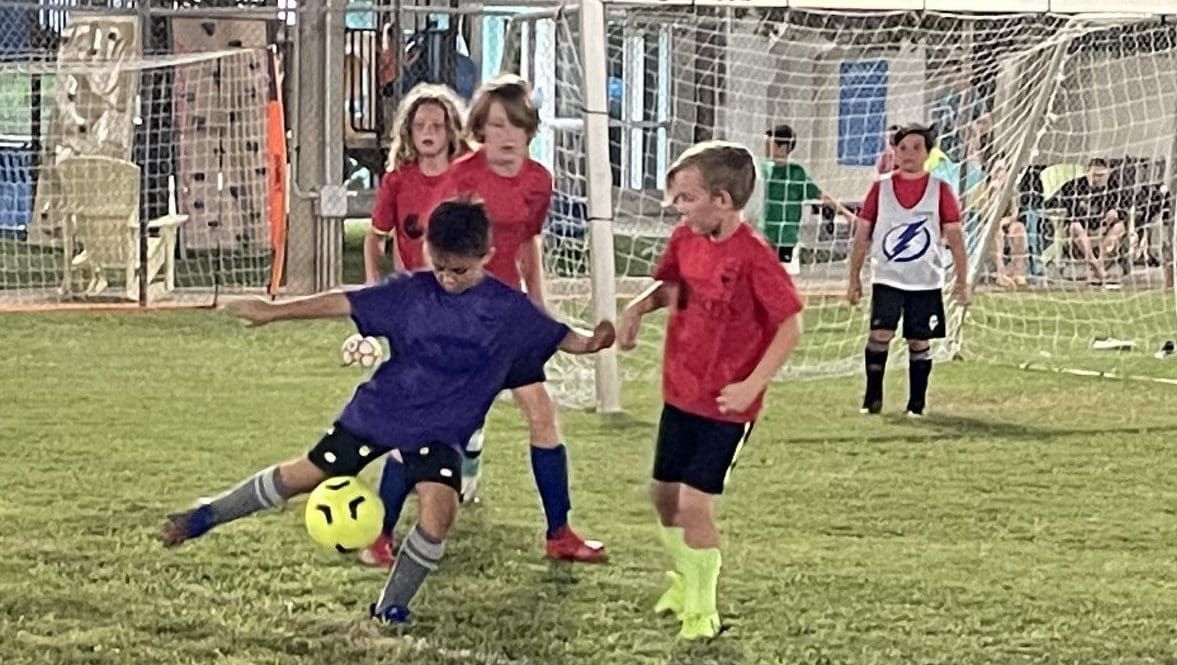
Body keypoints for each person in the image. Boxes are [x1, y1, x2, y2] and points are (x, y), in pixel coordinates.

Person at [160, 200, 616, 625]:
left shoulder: (508, 309)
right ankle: (204, 516)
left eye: (459, 270)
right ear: (427, 253)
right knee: (305, 475)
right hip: (381, 412)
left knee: (439, 515)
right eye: (439, 267)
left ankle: (390, 606)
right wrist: (273, 312)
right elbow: (344, 300)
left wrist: (592, 342)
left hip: (438, 432)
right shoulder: (410, 294)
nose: (448, 278)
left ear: (486, 256)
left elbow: (558, 335)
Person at [411, 73, 607, 563]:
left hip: (507, 317)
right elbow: (437, 246)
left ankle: (559, 532)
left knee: (541, 413)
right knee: (439, 422)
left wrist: (538, 309)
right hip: (462, 314)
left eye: (514, 126)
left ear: (528, 131)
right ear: (480, 129)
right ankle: (394, 522)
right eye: (495, 125)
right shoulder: (463, 178)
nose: (504, 135)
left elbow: (526, 245)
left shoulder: (540, 181)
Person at [618, 141, 805, 640]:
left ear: (721, 200)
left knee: (695, 505)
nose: (677, 208)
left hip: (726, 406)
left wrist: (750, 386)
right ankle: (684, 578)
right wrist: (637, 308)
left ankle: (702, 609)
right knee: (663, 498)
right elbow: (671, 288)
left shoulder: (755, 257)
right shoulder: (685, 239)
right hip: (680, 393)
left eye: (685, 198)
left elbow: (790, 326)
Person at [360, 83, 475, 569]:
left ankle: (461, 463)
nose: (428, 133)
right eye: (419, 126)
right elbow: (376, 239)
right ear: (408, 133)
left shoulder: (470, 179)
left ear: (452, 131)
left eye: (437, 125)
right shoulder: (398, 183)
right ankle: (380, 534)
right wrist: (375, 294)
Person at [846, 123, 969, 417]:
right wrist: (854, 279)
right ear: (894, 153)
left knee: (919, 340)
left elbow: (955, 238)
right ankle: (872, 399)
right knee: (880, 334)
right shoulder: (880, 188)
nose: (909, 153)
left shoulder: (941, 190)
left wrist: (961, 281)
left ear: (928, 153)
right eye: (902, 148)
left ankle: (917, 404)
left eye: (917, 148)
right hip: (887, 277)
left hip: (925, 281)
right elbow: (863, 235)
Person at [760, 124, 855, 268]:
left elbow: (821, 195)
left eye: (769, 144)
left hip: (786, 240)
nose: (766, 148)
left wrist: (847, 214)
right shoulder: (761, 170)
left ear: (784, 148)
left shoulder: (796, 173)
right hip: (763, 236)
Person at [1045, 157, 1126, 285]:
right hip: (1078, 232)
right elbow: (1049, 203)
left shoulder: (1113, 188)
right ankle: (1096, 265)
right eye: (1094, 175)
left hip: (1101, 230)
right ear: (1087, 172)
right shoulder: (1073, 186)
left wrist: (1116, 211)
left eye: (1101, 176)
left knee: (1120, 227)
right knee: (1075, 226)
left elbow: (1126, 208)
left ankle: (1099, 264)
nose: (1097, 179)